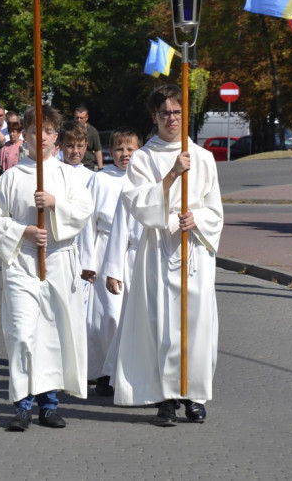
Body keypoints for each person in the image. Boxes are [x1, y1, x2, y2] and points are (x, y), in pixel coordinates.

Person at [105, 83, 223, 427]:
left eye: (176, 111)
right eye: (164, 113)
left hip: (193, 251)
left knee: (195, 325)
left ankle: (194, 395)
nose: (171, 118)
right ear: (154, 117)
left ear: (185, 114)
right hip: (157, 249)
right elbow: (137, 204)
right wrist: (172, 174)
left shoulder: (203, 157)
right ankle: (166, 398)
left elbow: (215, 209)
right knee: (162, 325)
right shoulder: (143, 158)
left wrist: (196, 218)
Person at [0, 105, 95, 432]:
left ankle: (49, 404)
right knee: (22, 332)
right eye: (35, 132)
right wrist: (24, 231)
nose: (42, 138)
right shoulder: (11, 177)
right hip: (22, 261)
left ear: (56, 136)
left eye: (48, 132)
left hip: (58, 261)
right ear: (25, 135)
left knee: (52, 333)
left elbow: (82, 211)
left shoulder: (68, 175)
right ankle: (22, 403)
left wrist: (54, 204)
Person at [79, 127, 141, 397]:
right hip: (105, 250)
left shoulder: (145, 180)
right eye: (119, 149)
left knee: (133, 316)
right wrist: (87, 261)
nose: (124, 155)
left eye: (130, 149)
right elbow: (86, 223)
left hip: (138, 254)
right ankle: (103, 371)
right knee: (108, 317)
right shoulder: (100, 180)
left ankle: (125, 371)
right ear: (109, 152)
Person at [74, 105, 103, 171]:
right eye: (76, 118)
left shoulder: (92, 131)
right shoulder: (69, 130)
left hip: (88, 166)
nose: (78, 120)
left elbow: (98, 150)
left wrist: (100, 168)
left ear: (86, 117)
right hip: (72, 166)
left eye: (81, 118)